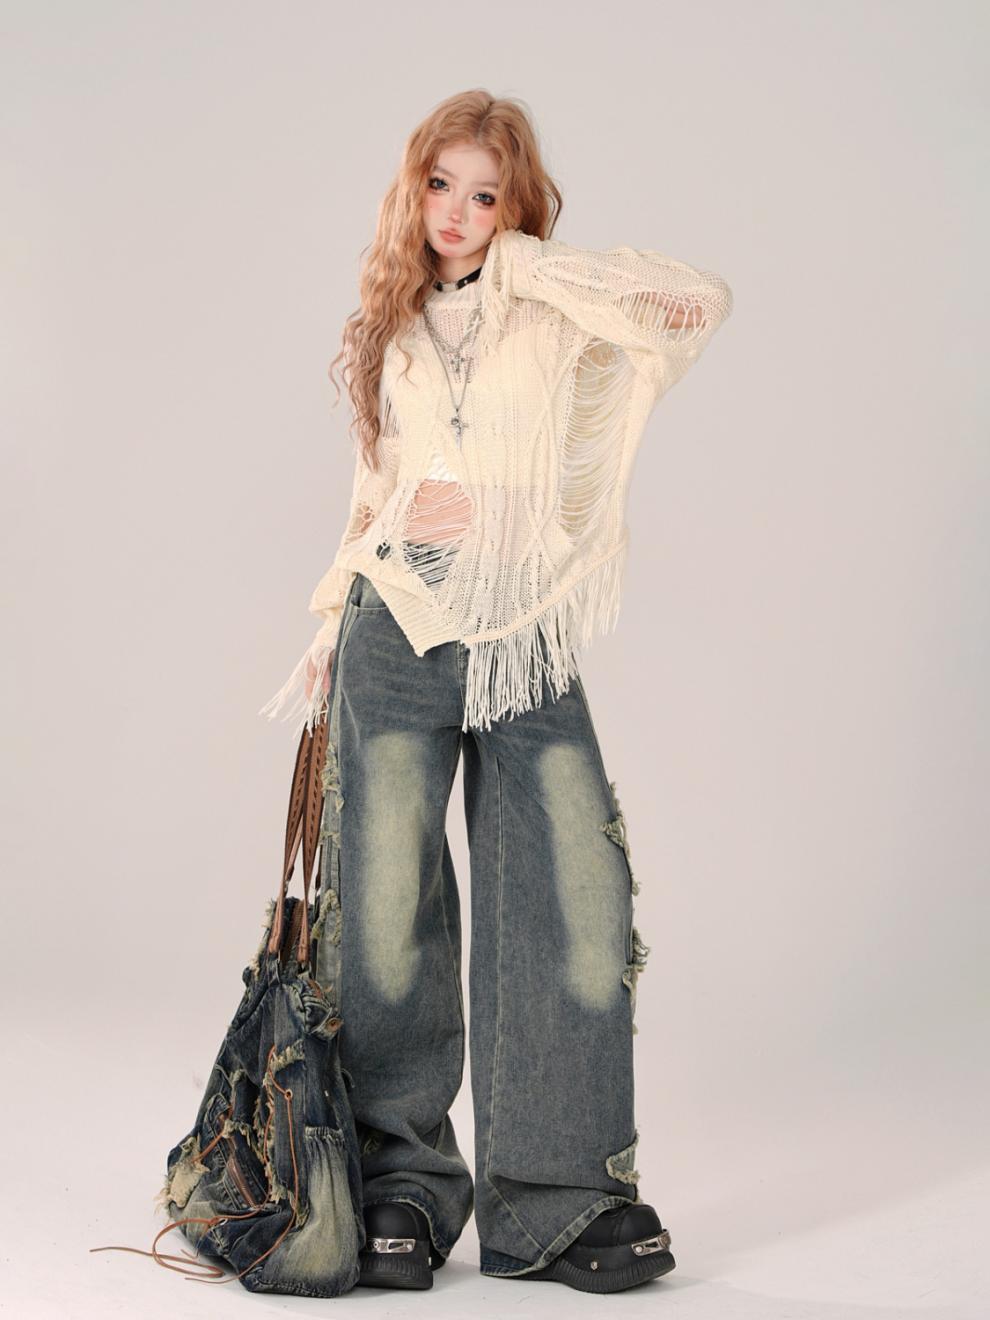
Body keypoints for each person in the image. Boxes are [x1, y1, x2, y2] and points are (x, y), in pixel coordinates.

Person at [260, 88, 732, 1295]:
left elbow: (693, 305)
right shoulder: (389, 327)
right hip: (397, 619)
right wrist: (330, 622)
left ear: (516, 210)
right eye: (442, 186)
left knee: (573, 891)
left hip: (521, 628)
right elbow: (373, 498)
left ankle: (557, 1201)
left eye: (487, 195)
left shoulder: (551, 309)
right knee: (386, 910)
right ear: (410, 190)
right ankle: (400, 1188)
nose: (459, 214)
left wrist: (530, 262)